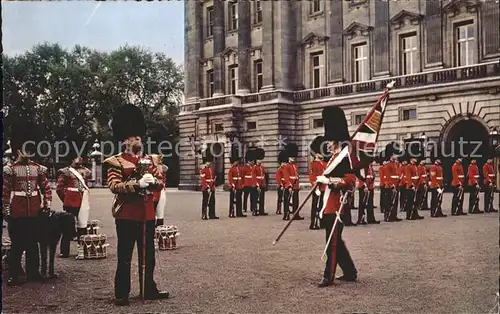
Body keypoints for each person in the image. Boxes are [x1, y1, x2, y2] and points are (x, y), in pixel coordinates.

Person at [103, 104, 169, 305]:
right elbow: (114, 186)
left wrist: (152, 182)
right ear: (125, 141)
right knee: (125, 256)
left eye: (139, 136)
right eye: (133, 137)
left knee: (148, 256)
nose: (138, 139)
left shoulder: (151, 160)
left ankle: (148, 288)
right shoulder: (116, 162)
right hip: (126, 215)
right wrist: (136, 184)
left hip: (147, 214)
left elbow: (161, 184)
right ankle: (122, 293)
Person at [2, 120, 52, 286]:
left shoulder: (38, 168)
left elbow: (45, 188)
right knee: (17, 245)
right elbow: (5, 191)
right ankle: (14, 274)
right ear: (17, 150)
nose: (28, 151)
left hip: (35, 211)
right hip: (17, 211)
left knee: (33, 243)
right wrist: (6, 209)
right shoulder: (11, 169)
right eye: (25, 148)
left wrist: (47, 203)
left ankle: (33, 272)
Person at [313, 106, 358, 287]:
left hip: (337, 205)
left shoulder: (345, 157)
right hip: (328, 203)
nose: (328, 144)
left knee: (332, 241)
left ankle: (328, 275)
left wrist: (329, 181)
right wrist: (321, 182)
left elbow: (350, 180)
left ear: (336, 140)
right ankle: (350, 272)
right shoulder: (334, 158)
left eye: (330, 141)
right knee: (336, 241)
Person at [56, 156, 92, 258]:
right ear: (72, 159)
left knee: (83, 227)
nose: (80, 159)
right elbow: (59, 188)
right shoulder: (66, 172)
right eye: (77, 157)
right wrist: (66, 198)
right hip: (70, 202)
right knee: (67, 227)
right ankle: (64, 251)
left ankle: (82, 250)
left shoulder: (86, 171)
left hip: (83, 200)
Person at [283, 144, 304, 221]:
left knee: (296, 201)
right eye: (291, 157)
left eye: (293, 157)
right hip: (289, 186)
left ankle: (296, 214)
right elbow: (286, 177)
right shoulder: (286, 166)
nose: (293, 158)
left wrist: (297, 185)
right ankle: (286, 214)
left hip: (295, 186)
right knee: (287, 201)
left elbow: (296, 176)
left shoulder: (295, 166)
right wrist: (289, 186)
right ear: (288, 158)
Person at [309, 151, 326, 229]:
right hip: (317, 187)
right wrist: (315, 185)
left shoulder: (324, 163)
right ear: (316, 155)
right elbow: (312, 176)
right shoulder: (313, 164)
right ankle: (313, 223)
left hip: (324, 187)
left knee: (322, 206)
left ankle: (322, 222)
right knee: (315, 206)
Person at [200, 154, 218, 220]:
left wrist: (213, 183)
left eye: (209, 162)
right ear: (205, 162)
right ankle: (204, 215)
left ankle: (212, 215)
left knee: (212, 201)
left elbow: (213, 178)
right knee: (205, 201)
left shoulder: (212, 169)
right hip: (206, 188)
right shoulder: (203, 170)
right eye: (207, 162)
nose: (209, 163)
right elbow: (203, 180)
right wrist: (207, 187)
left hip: (212, 187)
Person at [254, 149, 269, 216]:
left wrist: (264, 184)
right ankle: (255, 210)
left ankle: (261, 210)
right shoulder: (254, 167)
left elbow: (263, 176)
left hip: (262, 184)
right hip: (257, 184)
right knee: (256, 198)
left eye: (261, 159)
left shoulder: (262, 167)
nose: (260, 161)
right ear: (256, 160)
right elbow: (254, 177)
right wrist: (257, 185)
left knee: (262, 199)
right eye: (259, 159)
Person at [275, 151, 287, 215]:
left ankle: (286, 208)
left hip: (286, 185)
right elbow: (278, 178)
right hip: (281, 185)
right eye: (283, 163)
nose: (284, 164)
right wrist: (281, 185)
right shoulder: (279, 169)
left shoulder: (286, 169)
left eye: (285, 162)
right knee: (280, 198)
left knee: (286, 198)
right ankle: (278, 209)